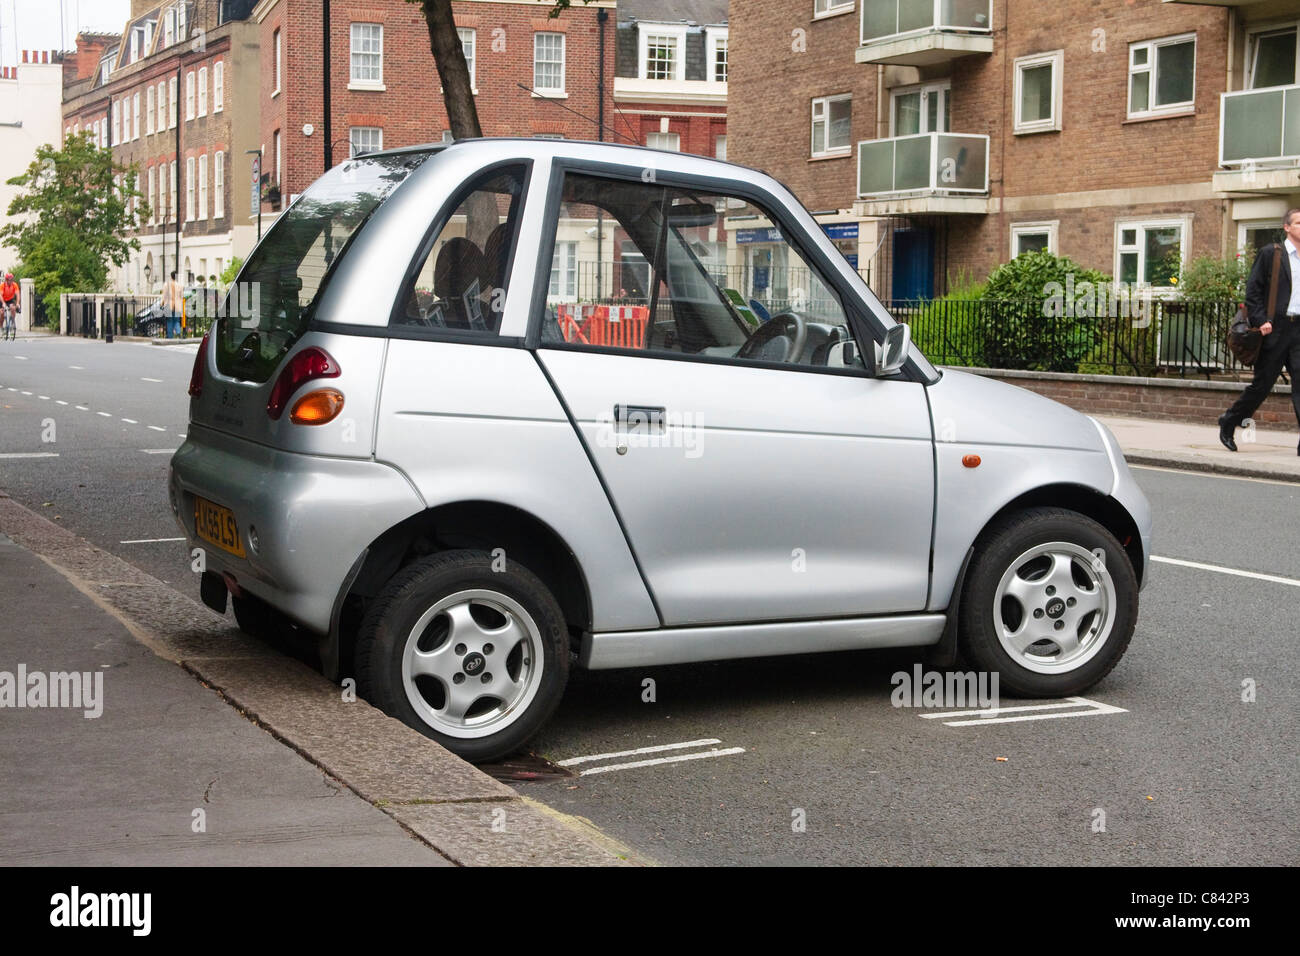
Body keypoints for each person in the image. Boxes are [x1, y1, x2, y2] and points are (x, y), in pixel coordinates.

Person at [1219, 208, 1300, 454]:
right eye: (1299, 222)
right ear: (1287, 227)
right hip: (1275, 329)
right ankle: (1230, 420)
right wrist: (1262, 320)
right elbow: (1253, 291)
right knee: (1262, 385)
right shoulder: (1271, 254)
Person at [161, 270, 183, 338]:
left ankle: (170, 336)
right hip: (177, 306)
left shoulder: (166, 285)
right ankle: (178, 332)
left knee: (169, 321)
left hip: (169, 306)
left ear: (171, 276)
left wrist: (162, 303)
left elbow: (164, 295)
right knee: (176, 321)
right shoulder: (180, 285)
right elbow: (181, 296)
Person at [0, 272, 19, 341]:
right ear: (6, 280)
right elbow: (0, 295)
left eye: (11, 280)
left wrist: (17, 303)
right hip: (2, 300)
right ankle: (1, 327)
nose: (10, 281)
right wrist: (3, 303)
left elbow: (17, 294)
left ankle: (12, 322)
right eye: (9, 280)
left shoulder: (14, 285)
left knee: (13, 308)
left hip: (10, 300)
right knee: (1, 313)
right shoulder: (2, 285)